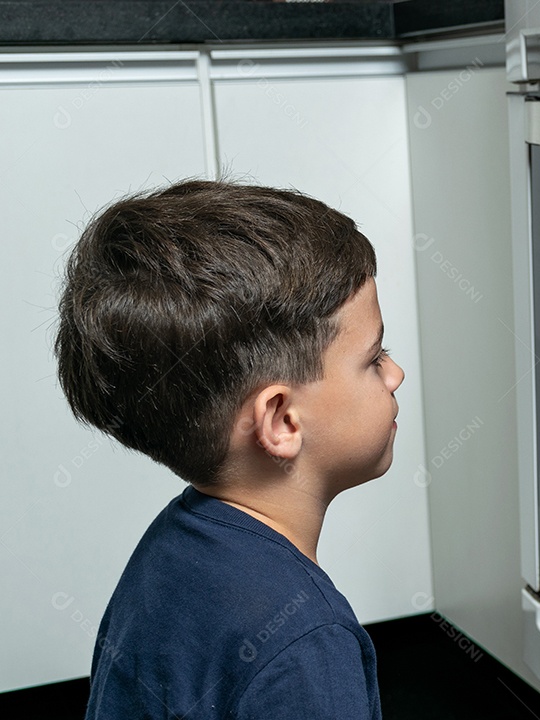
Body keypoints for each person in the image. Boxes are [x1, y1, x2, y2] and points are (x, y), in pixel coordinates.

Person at [55, 180, 404, 719]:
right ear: (282, 420)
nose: (396, 374)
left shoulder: (170, 548)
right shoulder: (307, 645)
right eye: (374, 357)